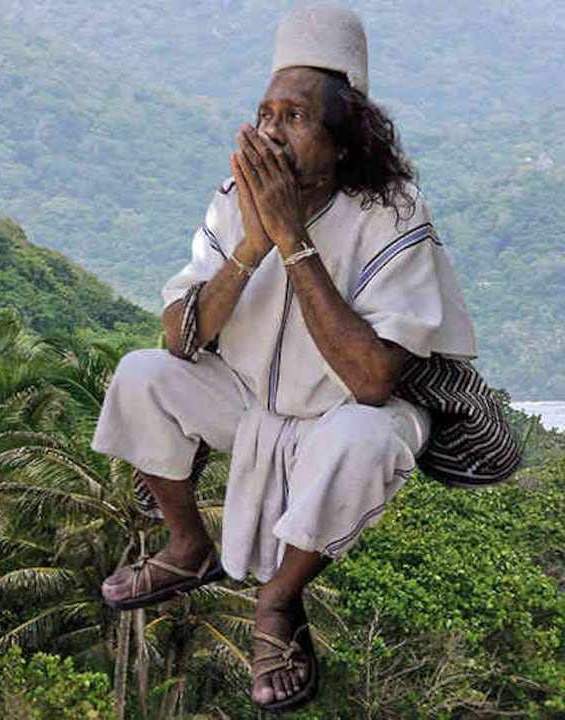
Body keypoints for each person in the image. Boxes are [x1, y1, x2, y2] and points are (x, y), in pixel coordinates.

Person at [90, 4, 478, 713]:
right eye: (265, 112)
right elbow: (179, 337)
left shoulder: (391, 214)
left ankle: (279, 602)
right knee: (140, 374)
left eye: (294, 117)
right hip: (248, 405)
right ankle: (187, 547)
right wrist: (251, 243)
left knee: (370, 437)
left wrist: (294, 239)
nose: (270, 130)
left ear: (343, 141)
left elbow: (370, 382)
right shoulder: (236, 202)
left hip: (337, 417)